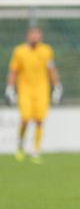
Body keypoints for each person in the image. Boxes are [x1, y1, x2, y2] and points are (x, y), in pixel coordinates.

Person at [6, 27, 62, 163]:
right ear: (28, 36)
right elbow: (13, 71)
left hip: (42, 90)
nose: (35, 38)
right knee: (25, 119)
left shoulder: (46, 51)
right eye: (33, 35)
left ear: (41, 37)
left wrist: (57, 86)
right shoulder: (19, 51)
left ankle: (36, 150)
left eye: (38, 35)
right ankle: (20, 144)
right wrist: (10, 87)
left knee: (39, 120)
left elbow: (51, 69)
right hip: (25, 89)